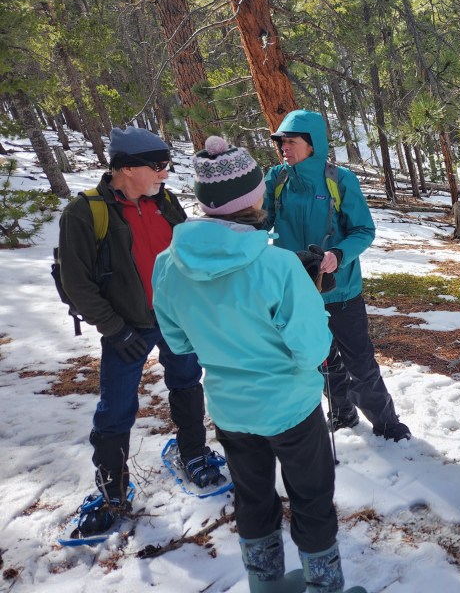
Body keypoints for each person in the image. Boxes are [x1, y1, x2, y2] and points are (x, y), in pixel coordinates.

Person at [153, 136, 365, 593]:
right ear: (252, 196)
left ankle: (265, 586)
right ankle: (323, 586)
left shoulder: (167, 265)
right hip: (291, 407)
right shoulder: (278, 266)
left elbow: (178, 341)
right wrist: (309, 296)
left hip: (231, 409)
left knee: (252, 499)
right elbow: (312, 350)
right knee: (311, 500)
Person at [57, 127, 224, 538]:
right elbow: (78, 283)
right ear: (126, 168)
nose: (165, 174)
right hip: (126, 328)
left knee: (186, 383)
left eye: (166, 165)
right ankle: (112, 490)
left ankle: (194, 453)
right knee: (116, 407)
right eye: (158, 165)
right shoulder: (85, 213)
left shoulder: (165, 202)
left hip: (175, 320)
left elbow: (187, 253)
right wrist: (115, 330)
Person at [263, 109, 410, 441]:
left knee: (359, 361)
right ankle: (342, 413)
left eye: (291, 141)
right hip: (298, 292)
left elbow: (363, 230)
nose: (284, 147)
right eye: (281, 142)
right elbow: (259, 222)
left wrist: (338, 255)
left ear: (312, 144)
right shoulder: (277, 180)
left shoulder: (340, 180)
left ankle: (386, 423)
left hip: (341, 290)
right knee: (319, 359)